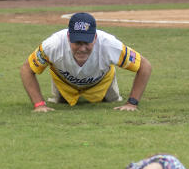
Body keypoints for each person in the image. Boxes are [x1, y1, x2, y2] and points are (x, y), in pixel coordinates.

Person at [20, 12, 152, 111]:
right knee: (59, 104)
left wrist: (132, 103)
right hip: (64, 84)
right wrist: (39, 105)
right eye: (77, 42)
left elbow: (144, 66)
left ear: (95, 37)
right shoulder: (53, 45)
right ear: (68, 37)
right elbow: (27, 69)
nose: (82, 48)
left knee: (112, 101)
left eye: (87, 42)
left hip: (102, 83)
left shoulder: (110, 44)